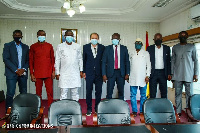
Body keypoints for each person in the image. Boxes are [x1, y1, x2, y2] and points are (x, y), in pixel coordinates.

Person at [171, 31, 199, 116]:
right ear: (178, 37)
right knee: (177, 94)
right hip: (177, 75)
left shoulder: (192, 47)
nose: (182, 37)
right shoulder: (175, 47)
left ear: (187, 36)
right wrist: (172, 74)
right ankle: (178, 112)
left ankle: (189, 112)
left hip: (189, 75)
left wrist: (196, 74)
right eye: (181, 36)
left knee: (189, 95)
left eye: (184, 35)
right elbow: (172, 61)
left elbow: (196, 61)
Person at [3, 30, 29, 111]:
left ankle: (22, 110)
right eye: (15, 35)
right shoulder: (7, 45)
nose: (17, 36)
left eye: (19, 35)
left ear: (22, 36)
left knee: (23, 93)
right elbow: (6, 59)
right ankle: (9, 111)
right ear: (13, 36)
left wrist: (23, 69)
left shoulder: (26, 47)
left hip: (23, 73)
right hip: (11, 73)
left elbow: (28, 60)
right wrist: (16, 70)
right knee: (10, 93)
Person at [29, 30, 55, 107]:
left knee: (50, 92)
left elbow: (52, 60)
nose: (41, 36)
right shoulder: (33, 46)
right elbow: (31, 61)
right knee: (38, 93)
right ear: (37, 36)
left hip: (48, 72)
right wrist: (31, 74)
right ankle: (38, 108)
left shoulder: (49, 46)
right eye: (40, 35)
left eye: (43, 35)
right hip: (37, 73)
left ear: (45, 36)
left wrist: (53, 71)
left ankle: (51, 107)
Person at [55, 30, 83, 101]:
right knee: (63, 93)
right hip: (64, 73)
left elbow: (80, 59)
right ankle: (63, 110)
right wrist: (57, 73)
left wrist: (81, 70)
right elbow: (57, 60)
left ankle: (75, 109)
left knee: (75, 93)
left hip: (75, 73)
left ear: (73, 37)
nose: (69, 37)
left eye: (71, 36)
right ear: (65, 37)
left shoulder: (77, 46)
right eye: (68, 35)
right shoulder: (60, 46)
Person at [102, 33, 130, 100]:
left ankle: (121, 107)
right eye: (113, 38)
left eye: (116, 38)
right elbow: (103, 62)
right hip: (111, 73)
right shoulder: (107, 48)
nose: (115, 40)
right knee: (109, 92)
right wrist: (104, 74)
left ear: (119, 39)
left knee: (121, 91)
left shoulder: (124, 48)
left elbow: (127, 61)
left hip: (121, 73)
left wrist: (127, 73)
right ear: (111, 39)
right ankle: (108, 107)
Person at [83, 33, 105, 116]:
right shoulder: (86, 47)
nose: (94, 39)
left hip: (99, 74)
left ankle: (97, 108)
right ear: (90, 39)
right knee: (89, 91)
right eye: (93, 38)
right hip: (89, 73)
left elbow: (104, 61)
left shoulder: (102, 47)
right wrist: (84, 72)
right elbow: (84, 60)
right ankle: (89, 108)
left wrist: (104, 73)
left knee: (98, 92)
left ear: (98, 39)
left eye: (96, 38)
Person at [129, 38, 151, 117]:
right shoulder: (131, 53)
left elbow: (148, 65)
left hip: (143, 77)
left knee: (143, 96)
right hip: (133, 77)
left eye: (139, 43)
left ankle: (142, 110)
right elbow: (129, 65)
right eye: (136, 42)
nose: (137, 44)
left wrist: (147, 75)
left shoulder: (146, 53)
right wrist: (128, 75)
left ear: (142, 44)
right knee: (132, 95)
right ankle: (134, 111)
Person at [147, 33, 171, 98]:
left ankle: (164, 107)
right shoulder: (149, 48)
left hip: (163, 73)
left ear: (162, 39)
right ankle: (152, 107)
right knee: (152, 93)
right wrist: (147, 74)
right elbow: (147, 62)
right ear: (154, 39)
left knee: (164, 92)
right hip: (153, 73)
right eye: (156, 38)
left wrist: (169, 73)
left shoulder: (167, 48)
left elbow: (169, 62)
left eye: (159, 38)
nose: (158, 39)